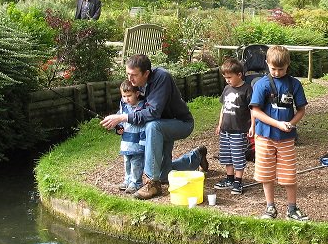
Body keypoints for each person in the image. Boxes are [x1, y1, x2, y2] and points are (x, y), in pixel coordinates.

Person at [100, 54, 208, 199]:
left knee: (152, 126)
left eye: (134, 75)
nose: (130, 79)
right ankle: (196, 156)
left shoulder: (162, 77)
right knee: (165, 174)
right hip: (160, 126)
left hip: (180, 123)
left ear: (146, 73)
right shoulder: (137, 84)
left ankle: (152, 183)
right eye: (128, 74)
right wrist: (119, 121)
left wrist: (123, 117)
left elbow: (153, 112)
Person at [249, 45, 309, 221]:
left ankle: (292, 209)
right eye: (273, 68)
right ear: (267, 64)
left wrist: (290, 124)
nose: (276, 72)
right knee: (266, 173)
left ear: (287, 66)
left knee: (289, 174)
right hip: (264, 137)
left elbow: (301, 110)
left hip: (286, 138)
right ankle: (270, 208)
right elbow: (256, 111)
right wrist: (277, 124)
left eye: (281, 69)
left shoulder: (294, 84)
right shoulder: (262, 84)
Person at [213, 57, 254, 195]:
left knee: (238, 155)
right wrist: (220, 124)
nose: (227, 80)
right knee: (226, 155)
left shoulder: (247, 89)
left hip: (239, 130)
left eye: (230, 77)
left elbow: (253, 109)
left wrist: (252, 126)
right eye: (225, 78)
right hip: (225, 129)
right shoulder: (226, 89)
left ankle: (238, 180)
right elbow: (223, 108)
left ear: (239, 74)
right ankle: (229, 178)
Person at [115, 81, 147, 194]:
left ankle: (136, 182)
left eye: (129, 96)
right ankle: (128, 180)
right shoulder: (123, 107)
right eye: (124, 96)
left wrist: (144, 142)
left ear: (137, 94)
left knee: (136, 163)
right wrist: (118, 128)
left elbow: (144, 124)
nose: (126, 99)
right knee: (127, 162)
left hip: (138, 141)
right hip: (126, 141)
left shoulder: (142, 107)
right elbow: (119, 121)